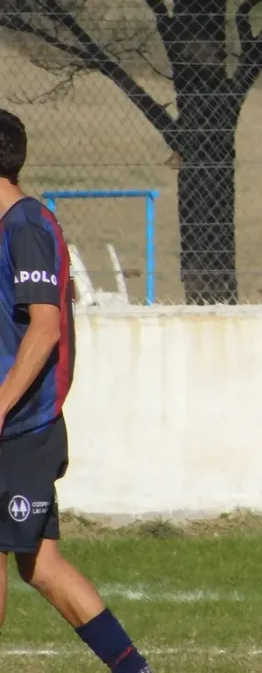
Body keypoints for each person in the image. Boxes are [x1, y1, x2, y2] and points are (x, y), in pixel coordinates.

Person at [0, 110, 153, 671]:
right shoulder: (10, 226)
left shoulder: (25, 225)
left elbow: (45, 328)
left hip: (18, 428)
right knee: (40, 565)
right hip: (18, 426)